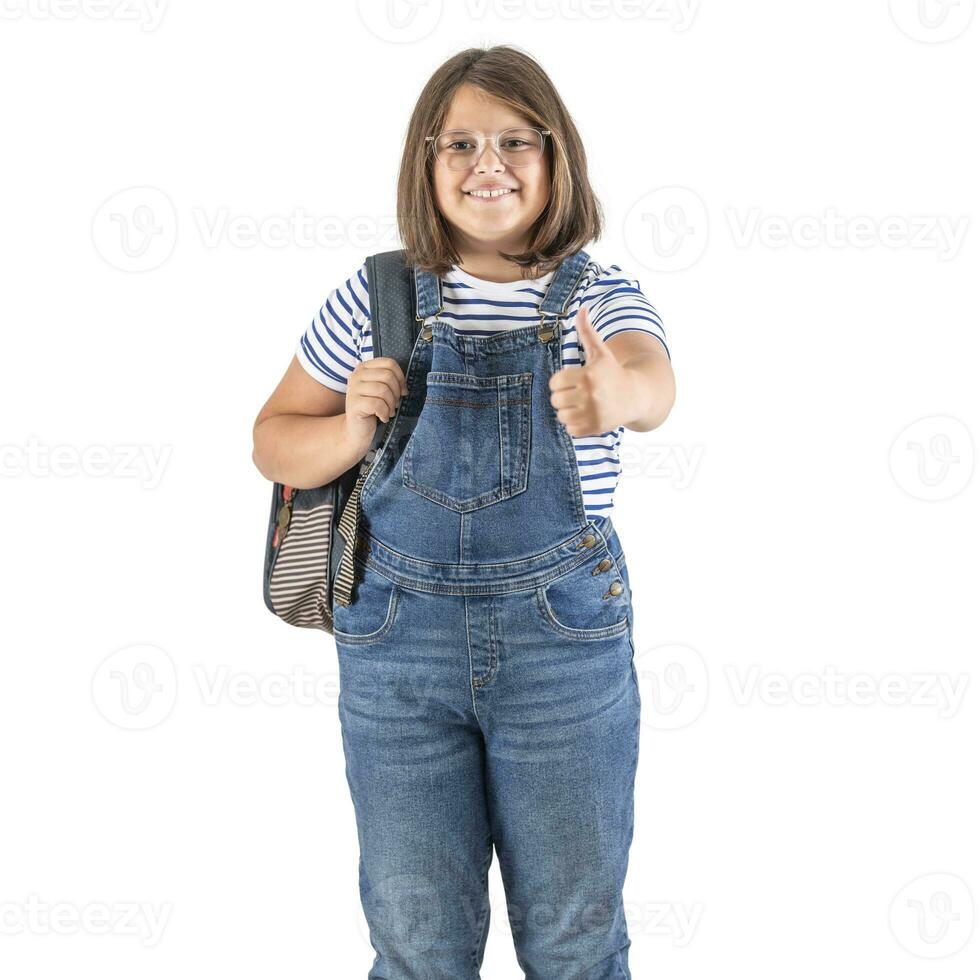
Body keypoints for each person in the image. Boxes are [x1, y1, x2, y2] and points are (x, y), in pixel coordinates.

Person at [252, 44, 675, 980]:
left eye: (517, 141)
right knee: (418, 946)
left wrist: (619, 396)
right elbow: (272, 440)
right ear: (426, 164)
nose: (490, 164)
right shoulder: (377, 297)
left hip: (562, 646)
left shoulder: (595, 298)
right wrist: (350, 433)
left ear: (557, 159)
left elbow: (653, 380)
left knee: (575, 941)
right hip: (398, 649)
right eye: (462, 145)